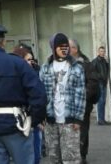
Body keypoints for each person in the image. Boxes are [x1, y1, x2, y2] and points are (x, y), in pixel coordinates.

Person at [0, 24, 47, 164]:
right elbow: (39, 95)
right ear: (3, 42)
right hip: (16, 125)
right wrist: (33, 121)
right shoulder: (18, 64)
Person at [40, 33, 86, 164]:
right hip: (50, 120)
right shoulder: (45, 68)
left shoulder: (77, 67)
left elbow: (81, 94)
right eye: (61, 46)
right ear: (54, 47)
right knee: (54, 158)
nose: (65, 49)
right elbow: (41, 94)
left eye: (66, 46)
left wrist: (78, 119)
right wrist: (41, 116)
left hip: (70, 120)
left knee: (71, 158)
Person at [11, 46, 44, 164]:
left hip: (32, 122)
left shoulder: (33, 73)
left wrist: (37, 120)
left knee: (36, 155)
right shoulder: (15, 76)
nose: (31, 62)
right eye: (28, 60)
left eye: (32, 60)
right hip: (21, 122)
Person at [69, 38, 99, 164]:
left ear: (75, 49)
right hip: (67, 106)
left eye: (68, 48)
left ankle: (81, 155)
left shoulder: (86, 64)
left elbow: (92, 84)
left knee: (82, 131)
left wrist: (80, 97)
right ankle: (71, 155)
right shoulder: (64, 63)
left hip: (82, 105)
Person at [92, 46, 109, 125]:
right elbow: (92, 72)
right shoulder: (95, 61)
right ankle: (100, 120)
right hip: (99, 83)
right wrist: (100, 77)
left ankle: (102, 119)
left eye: (103, 51)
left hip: (104, 83)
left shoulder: (104, 61)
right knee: (100, 101)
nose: (102, 53)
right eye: (101, 51)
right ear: (98, 52)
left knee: (103, 102)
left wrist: (107, 63)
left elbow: (108, 71)